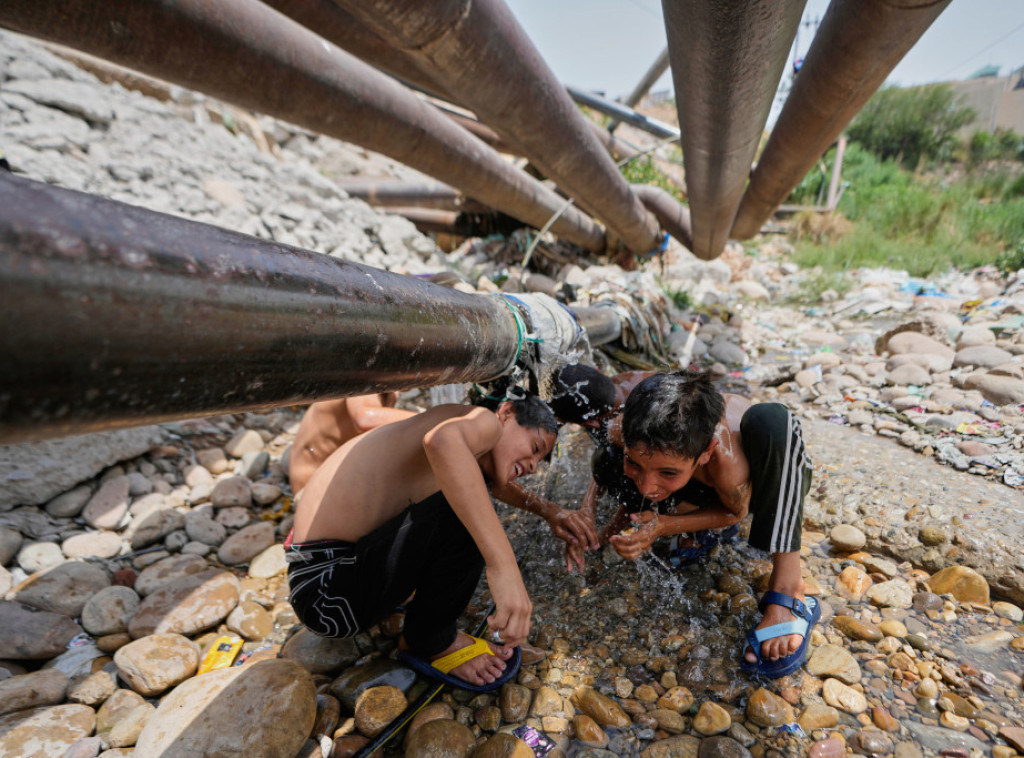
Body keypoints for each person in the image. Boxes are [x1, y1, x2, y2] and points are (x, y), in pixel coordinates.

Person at [286, 396, 558, 691]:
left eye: (539, 462)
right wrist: (504, 569)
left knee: (470, 497)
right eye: (535, 448)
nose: (533, 466)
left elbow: (488, 481)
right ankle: (431, 641)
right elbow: (443, 442)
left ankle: (415, 616)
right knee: (469, 512)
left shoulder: (459, 428)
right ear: (507, 412)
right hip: (328, 595)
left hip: (321, 584)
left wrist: (550, 511)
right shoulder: (484, 422)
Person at [583, 369, 818, 679]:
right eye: (635, 462)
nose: (646, 486)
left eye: (667, 472)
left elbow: (734, 513)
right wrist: (588, 511)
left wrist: (663, 526)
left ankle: (790, 588)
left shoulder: (726, 464)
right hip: (695, 477)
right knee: (607, 460)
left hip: (762, 486)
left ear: (705, 453)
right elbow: (610, 473)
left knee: (772, 419)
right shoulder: (625, 431)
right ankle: (687, 514)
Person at [289, 393, 416, 495]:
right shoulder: (368, 373)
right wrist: (429, 418)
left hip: (330, 476)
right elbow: (366, 418)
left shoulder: (390, 387)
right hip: (312, 489)